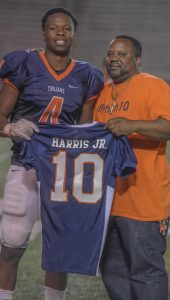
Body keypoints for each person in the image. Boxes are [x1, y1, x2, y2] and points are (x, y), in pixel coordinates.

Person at [0, 7, 104, 300]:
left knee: (60, 245)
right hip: (27, 163)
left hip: (62, 171)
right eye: (54, 28)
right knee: (13, 239)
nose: (60, 33)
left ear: (74, 33)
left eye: (66, 28)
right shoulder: (25, 63)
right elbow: (0, 114)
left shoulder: (87, 75)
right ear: (44, 33)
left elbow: (84, 129)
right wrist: (10, 128)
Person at [94, 35, 170, 300]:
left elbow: (168, 127)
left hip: (143, 201)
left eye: (122, 54)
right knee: (112, 269)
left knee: (146, 270)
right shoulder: (102, 92)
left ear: (137, 60)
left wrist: (133, 124)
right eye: (111, 53)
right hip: (108, 201)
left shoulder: (153, 86)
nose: (114, 58)